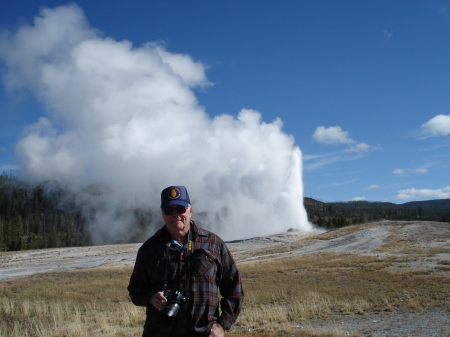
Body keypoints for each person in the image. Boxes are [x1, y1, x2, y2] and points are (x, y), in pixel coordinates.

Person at [128, 186, 244, 337]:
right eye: (169, 210)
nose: (175, 214)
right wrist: (150, 297)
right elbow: (135, 290)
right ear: (163, 214)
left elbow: (234, 289)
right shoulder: (149, 249)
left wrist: (222, 325)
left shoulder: (214, 244)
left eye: (180, 209)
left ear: (190, 211)